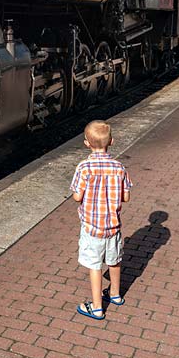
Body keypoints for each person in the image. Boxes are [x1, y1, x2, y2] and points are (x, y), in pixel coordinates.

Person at [70, 120, 132, 320]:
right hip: (113, 226)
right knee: (115, 261)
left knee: (95, 265)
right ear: (111, 142)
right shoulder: (119, 167)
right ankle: (115, 294)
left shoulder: (84, 167)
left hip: (91, 227)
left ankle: (97, 307)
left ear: (86, 143)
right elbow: (126, 197)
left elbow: (77, 197)